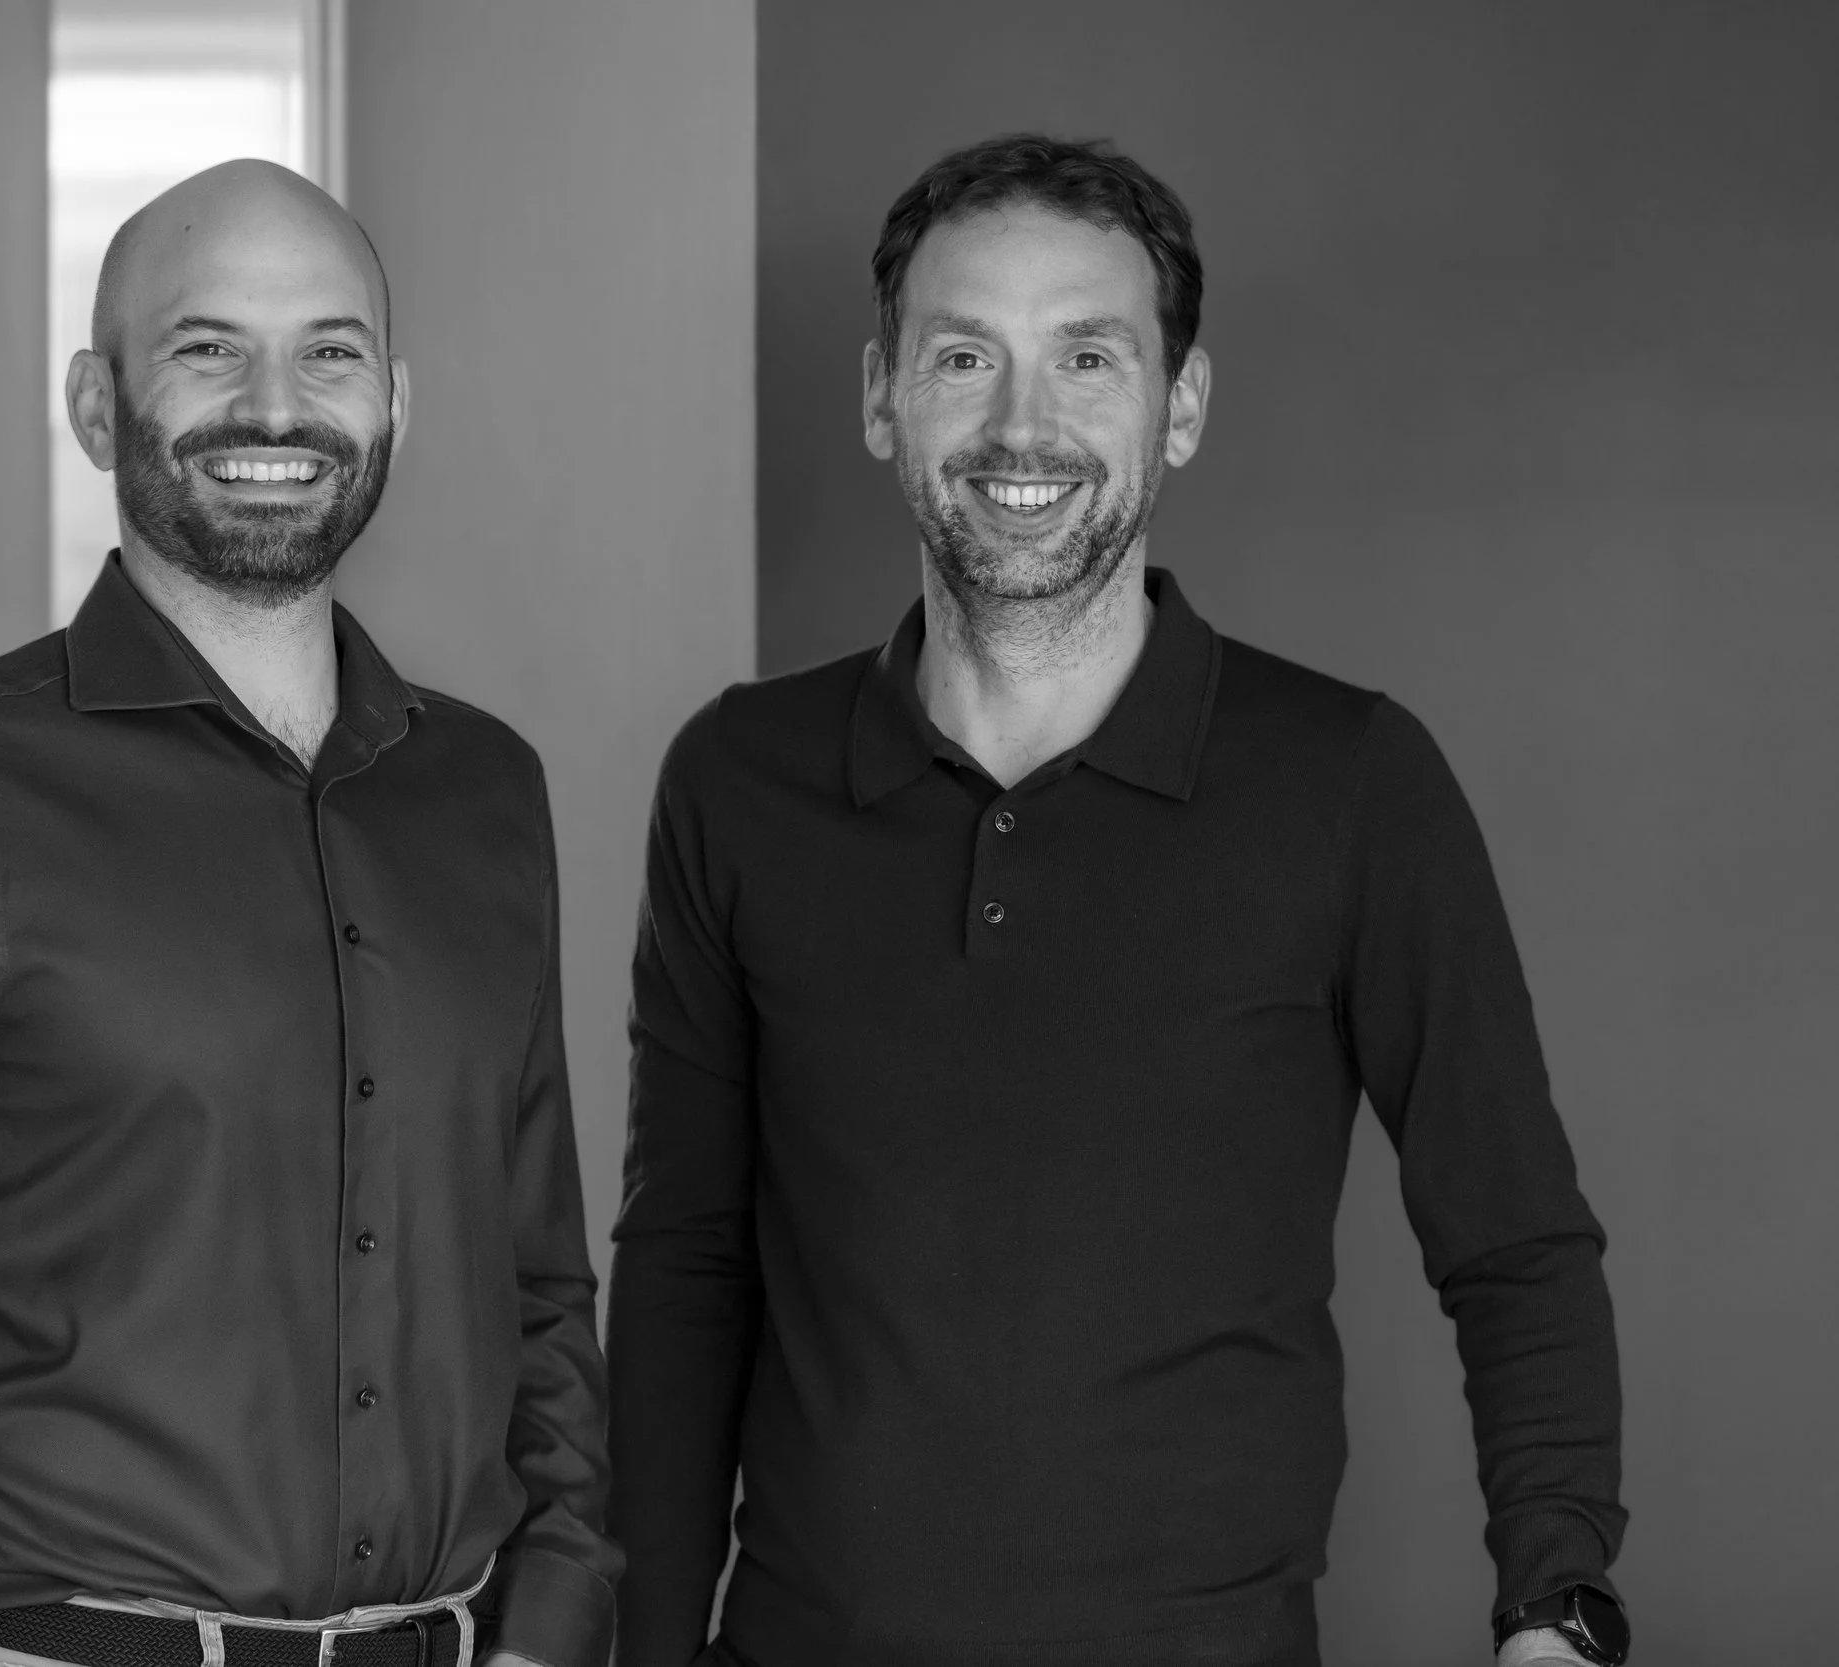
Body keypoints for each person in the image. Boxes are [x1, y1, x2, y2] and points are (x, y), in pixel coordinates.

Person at [606, 134, 1627, 1667]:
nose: (1025, 424)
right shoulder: (737, 778)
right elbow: (686, 1259)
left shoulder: (1349, 779)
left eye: (1090, 356)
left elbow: (1516, 1239)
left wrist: (1558, 1606)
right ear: (882, 397)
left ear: (1182, 404)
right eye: (965, 356)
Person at [0, 160, 617, 1667]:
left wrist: (558, 1615)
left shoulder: (484, 794)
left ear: (394, 400)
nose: (277, 408)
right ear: (94, 404)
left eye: (328, 351)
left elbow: (535, 1279)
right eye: (209, 349)